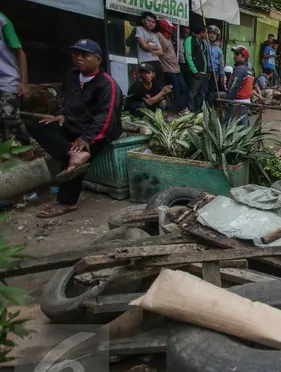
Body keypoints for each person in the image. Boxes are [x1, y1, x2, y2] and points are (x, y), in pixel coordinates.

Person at [25, 39, 122, 218]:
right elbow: (68, 100)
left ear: (98, 59)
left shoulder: (107, 84)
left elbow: (106, 117)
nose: (79, 58)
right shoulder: (72, 75)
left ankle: (67, 202)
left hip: (99, 132)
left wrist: (86, 138)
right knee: (39, 126)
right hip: (74, 123)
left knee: (78, 156)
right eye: (76, 54)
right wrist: (62, 114)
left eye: (84, 55)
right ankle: (71, 153)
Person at [0, 12, 28, 141]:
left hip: (8, 79)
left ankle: (28, 145)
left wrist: (23, 82)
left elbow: (19, 51)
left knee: (10, 118)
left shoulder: (3, 21)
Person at [154, 20, 188, 115]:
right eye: (170, 28)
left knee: (184, 88)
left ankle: (184, 107)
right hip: (168, 69)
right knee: (175, 90)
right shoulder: (158, 36)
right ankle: (180, 109)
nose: (172, 30)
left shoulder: (168, 37)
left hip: (176, 68)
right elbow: (157, 51)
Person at [222, 46, 255, 123]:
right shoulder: (249, 70)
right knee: (243, 125)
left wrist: (227, 100)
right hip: (246, 101)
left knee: (228, 125)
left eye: (237, 54)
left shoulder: (239, 70)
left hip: (238, 102)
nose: (234, 56)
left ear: (243, 57)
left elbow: (233, 87)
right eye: (234, 54)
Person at [135, 12, 163, 85]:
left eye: (153, 22)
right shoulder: (139, 29)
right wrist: (155, 47)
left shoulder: (154, 35)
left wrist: (149, 49)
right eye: (149, 21)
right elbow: (144, 46)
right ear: (143, 20)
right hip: (145, 62)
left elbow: (161, 52)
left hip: (156, 62)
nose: (151, 23)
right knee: (147, 85)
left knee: (157, 86)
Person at [184, 26, 208, 112]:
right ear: (201, 32)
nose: (207, 35)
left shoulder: (201, 42)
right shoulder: (190, 39)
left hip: (202, 72)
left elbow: (203, 57)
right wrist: (194, 71)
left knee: (200, 93)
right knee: (192, 92)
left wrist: (205, 70)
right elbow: (188, 56)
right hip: (195, 71)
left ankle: (198, 109)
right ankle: (191, 109)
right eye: (206, 32)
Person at [206, 25, 225, 107]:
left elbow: (221, 63)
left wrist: (222, 75)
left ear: (217, 36)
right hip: (205, 71)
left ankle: (209, 107)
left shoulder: (219, 49)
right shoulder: (204, 44)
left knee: (211, 91)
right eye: (210, 33)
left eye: (214, 34)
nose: (212, 35)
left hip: (215, 72)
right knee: (203, 90)